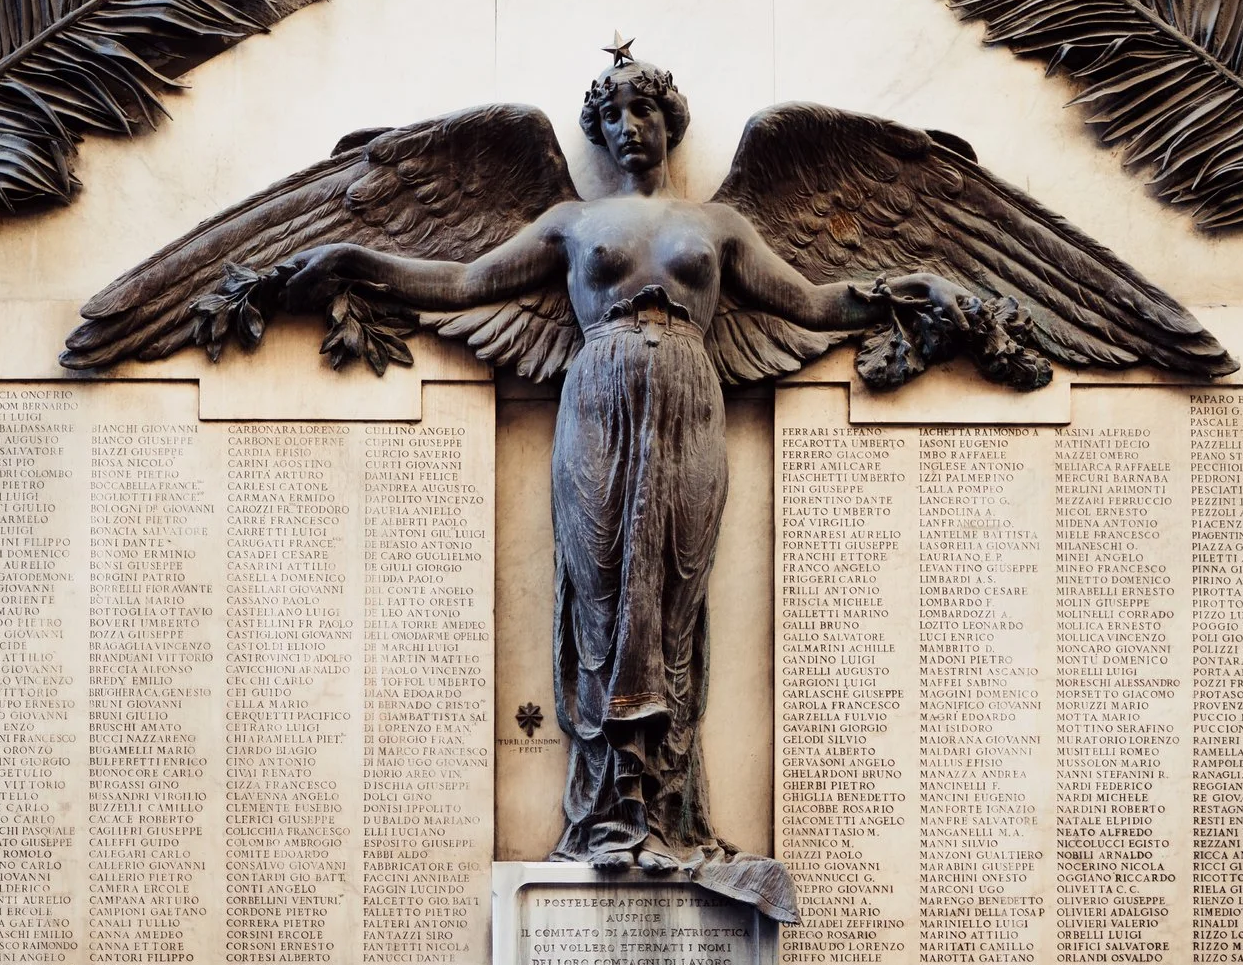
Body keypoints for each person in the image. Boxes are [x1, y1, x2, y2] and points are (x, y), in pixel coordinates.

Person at [284, 51, 967, 919]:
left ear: (669, 122)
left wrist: (906, 288)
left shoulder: (718, 226)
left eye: (643, 111)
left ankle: (673, 818)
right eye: (613, 117)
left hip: (688, 393)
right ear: (598, 133)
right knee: (602, 598)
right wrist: (354, 258)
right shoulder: (570, 221)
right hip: (599, 392)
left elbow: (810, 302)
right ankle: (606, 814)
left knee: (675, 599)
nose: (629, 127)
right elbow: (461, 281)